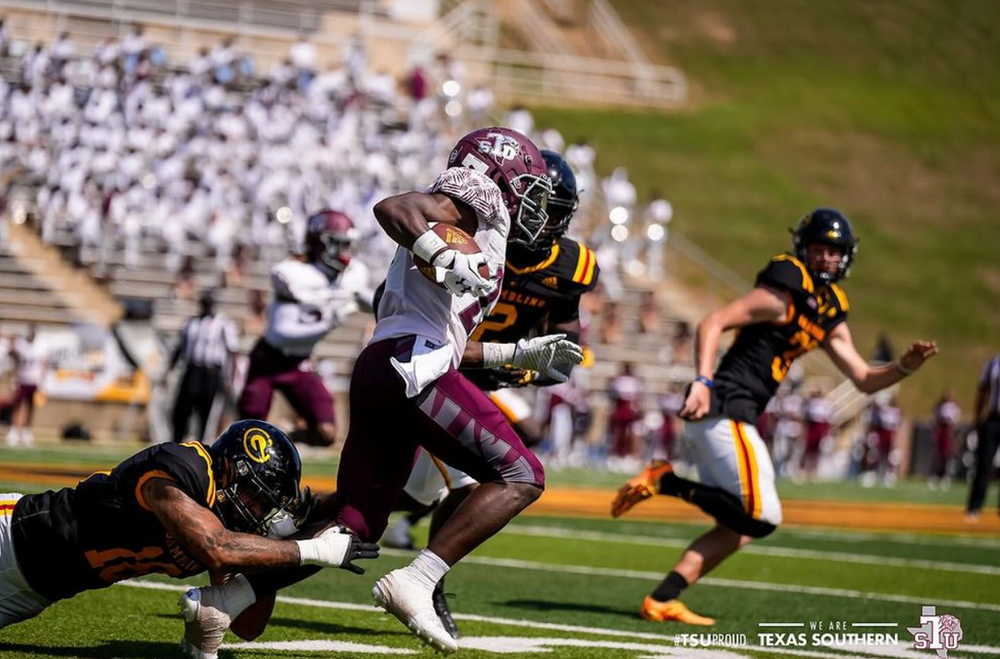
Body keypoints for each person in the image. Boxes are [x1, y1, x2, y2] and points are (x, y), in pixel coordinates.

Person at [178, 127, 575, 656]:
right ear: (498, 175)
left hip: (384, 369)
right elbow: (393, 208)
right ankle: (419, 579)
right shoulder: (471, 200)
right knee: (522, 473)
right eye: (527, 187)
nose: (534, 205)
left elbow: (438, 328)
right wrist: (439, 248)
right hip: (412, 368)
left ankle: (223, 601)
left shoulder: (475, 226)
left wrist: (516, 355)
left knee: (355, 528)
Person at [610, 208, 938, 625]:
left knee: (738, 531)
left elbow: (863, 379)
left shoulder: (829, 307)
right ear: (804, 249)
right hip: (723, 409)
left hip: (728, 418)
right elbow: (713, 322)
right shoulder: (785, 289)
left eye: (833, 252)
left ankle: (662, 598)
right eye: (818, 249)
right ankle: (665, 480)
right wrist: (703, 381)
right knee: (763, 517)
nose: (825, 259)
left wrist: (904, 367)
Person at [384, 149, 599, 638]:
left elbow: (568, 347)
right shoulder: (477, 231)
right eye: (536, 205)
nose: (542, 219)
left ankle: (329, 523)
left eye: (551, 210)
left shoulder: (571, 265)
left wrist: (532, 365)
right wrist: (515, 356)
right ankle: (425, 580)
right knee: (469, 484)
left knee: (415, 493)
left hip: (495, 375)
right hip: (443, 367)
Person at [0, 420, 378, 632]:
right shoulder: (184, 467)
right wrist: (309, 550)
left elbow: (247, 625)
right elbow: (216, 546)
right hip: (11, 536)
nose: (259, 511)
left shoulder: (228, 523)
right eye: (258, 497)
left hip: (35, 595)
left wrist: (275, 543)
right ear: (232, 471)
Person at [237, 210, 369, 447]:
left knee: (326, 433)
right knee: (248, 432)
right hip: (268, 359)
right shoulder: (293, 274)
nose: (345, 251)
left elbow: (371, 301)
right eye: (339, 244)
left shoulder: (348, 277)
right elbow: (282, 333)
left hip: (299, 362)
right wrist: (328, 322)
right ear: (321, 244)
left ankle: (282, 442)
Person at [163, 292, 239, 444]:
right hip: (192, 370)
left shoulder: (223, 324)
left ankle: (201, 444)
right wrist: (168, 370)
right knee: (182, 409)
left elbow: (232, 351)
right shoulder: (190, 323)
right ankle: (176, 442)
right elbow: (180, 348)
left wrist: (231, 376)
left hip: (211, 372)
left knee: (206, 411)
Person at [967, 352, 1000, 521]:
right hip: (993, 419)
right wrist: (977, 419)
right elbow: (982, 391)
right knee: (984, 464)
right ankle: (974, 507)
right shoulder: (993, 364)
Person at [7, 325, 46, 448]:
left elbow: (44, 365)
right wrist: (13, 378)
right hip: (22, 380)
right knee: (17, 406)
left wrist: (43, 383)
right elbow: (14, 359)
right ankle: (14, 431)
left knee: (31, 408)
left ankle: (26, 432)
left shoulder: (40, 347)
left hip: (34, 381)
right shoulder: (21, 345)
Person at [929, 389, 960, 488]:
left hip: (948, 431)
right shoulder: (940, 406)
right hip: (940, 430)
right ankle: (935, 476)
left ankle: (946, 477)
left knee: (947, 455)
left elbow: (955, 421)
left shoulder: (954, 407)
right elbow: (936, 418)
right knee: (937, 454)